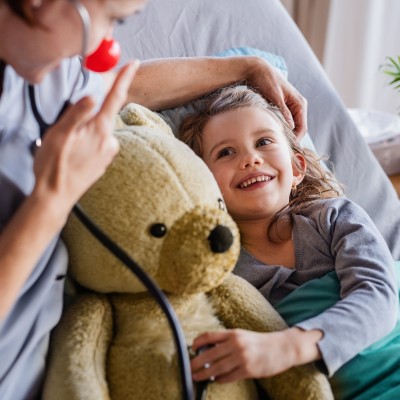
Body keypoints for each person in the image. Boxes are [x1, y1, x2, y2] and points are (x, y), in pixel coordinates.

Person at [0, 0, 309, 398]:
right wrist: (51, 201)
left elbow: (121, 89)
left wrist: (246, 69)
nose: (107, 44)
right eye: (113, 19)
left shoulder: (47, 72)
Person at [179, 85, 398, 385]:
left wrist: (286, 347)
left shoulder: (334, 217)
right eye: (226, 152)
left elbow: (380, 297)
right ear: (204, 182)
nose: (250, 159)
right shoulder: (223, 272)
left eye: (264, 141)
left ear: (297, 168)